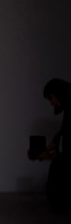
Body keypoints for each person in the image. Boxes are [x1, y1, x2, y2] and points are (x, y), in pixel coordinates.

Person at [32, 78, 71, 210]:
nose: (51, 103)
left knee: (58, 167)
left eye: (51, 98)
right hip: (65, 156)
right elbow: (64, 131)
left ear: (59, 93)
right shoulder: (67, 109)